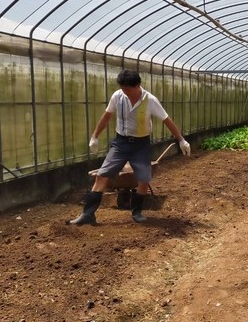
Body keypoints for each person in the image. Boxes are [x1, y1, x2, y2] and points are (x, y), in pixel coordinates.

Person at [68, 69, 190, 225]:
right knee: (102, 174)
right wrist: (95, 136)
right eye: (122, 88)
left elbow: (166, 120)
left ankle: (137, 212)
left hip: (141, 144)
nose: (125, 92)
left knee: (144, 178)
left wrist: (181, 140)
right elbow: (107, 116)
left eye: (128, 89)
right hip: (120, 143)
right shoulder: (117, 96)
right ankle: (88, 214)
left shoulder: (150, 100)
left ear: (138, 85)